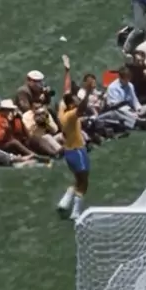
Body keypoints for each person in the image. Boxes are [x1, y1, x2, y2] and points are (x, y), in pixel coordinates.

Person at [57, 55, 93, 221]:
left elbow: (66, 91)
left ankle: (65, 200)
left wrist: (67, 70)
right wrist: (88, 93)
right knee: (84, 182)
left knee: (78, 179)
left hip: (68, 152)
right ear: (72, 104)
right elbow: (82, 108)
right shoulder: (71, 115)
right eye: (75, 100)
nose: (77, 100)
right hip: (78, 151)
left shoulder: (62, 109)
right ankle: (75, 212)